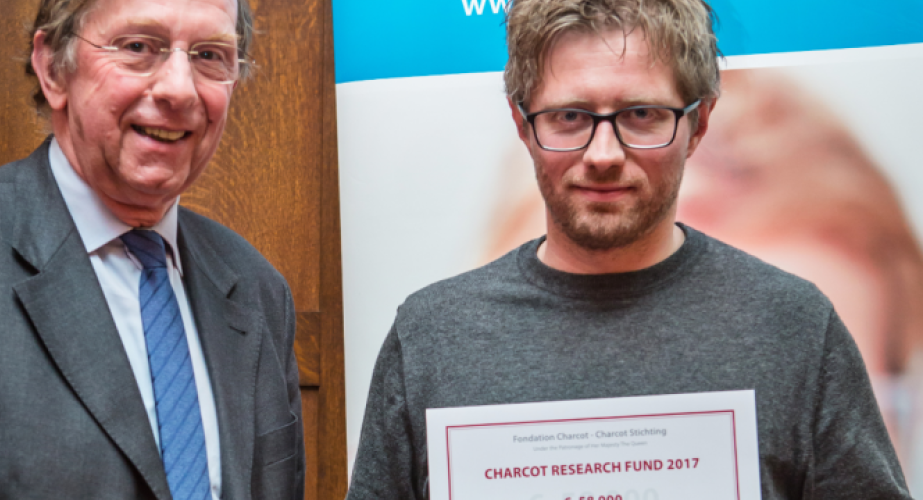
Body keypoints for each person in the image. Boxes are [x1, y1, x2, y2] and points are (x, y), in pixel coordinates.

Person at [345, 0, 910, 498]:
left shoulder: (794, 326)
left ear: (699, 122)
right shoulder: (432, 336)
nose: (603, 154)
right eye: (569, 117)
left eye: (641, 115)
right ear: (521, 123)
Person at [0, 0, 304, 498]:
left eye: (210, 55)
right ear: (53, 68)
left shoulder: (258, 291)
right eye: (138, 46)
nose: (179, 89)